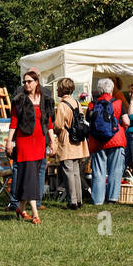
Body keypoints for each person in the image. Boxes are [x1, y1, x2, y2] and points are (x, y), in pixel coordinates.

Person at [6, 70, 55, 223]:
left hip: (39, 142)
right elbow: (13, 122)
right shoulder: (19, 100)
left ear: (36, 82)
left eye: (29, 81)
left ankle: (20, 208)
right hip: (24, 142)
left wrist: (52, 140)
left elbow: (49, 122)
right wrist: (9, 141)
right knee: (30, 176)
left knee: (32, 175)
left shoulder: (45, 100)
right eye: (24, 82)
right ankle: (35, 214)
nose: (26, 84)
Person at [87, 78, 127, 205]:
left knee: (99, 171)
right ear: (111, 89)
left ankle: (98, 200)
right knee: (115, 169)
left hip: (98, 141)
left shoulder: (92, 105)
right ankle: (112, 198)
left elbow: (89, 121)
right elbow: (126, 121)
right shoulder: (118, 103)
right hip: (116, 139)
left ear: (99, 89)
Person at [53, 77, 89, 208]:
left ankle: (72, 201)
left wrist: (55, 131)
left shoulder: (63, 105)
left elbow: (58, 125)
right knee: (75, 172)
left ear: (62, 89)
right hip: (78, 141)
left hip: (67, 140)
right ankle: (79, 200)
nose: (57, 89)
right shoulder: (77, 103)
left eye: (58, 87)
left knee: (68, 172)